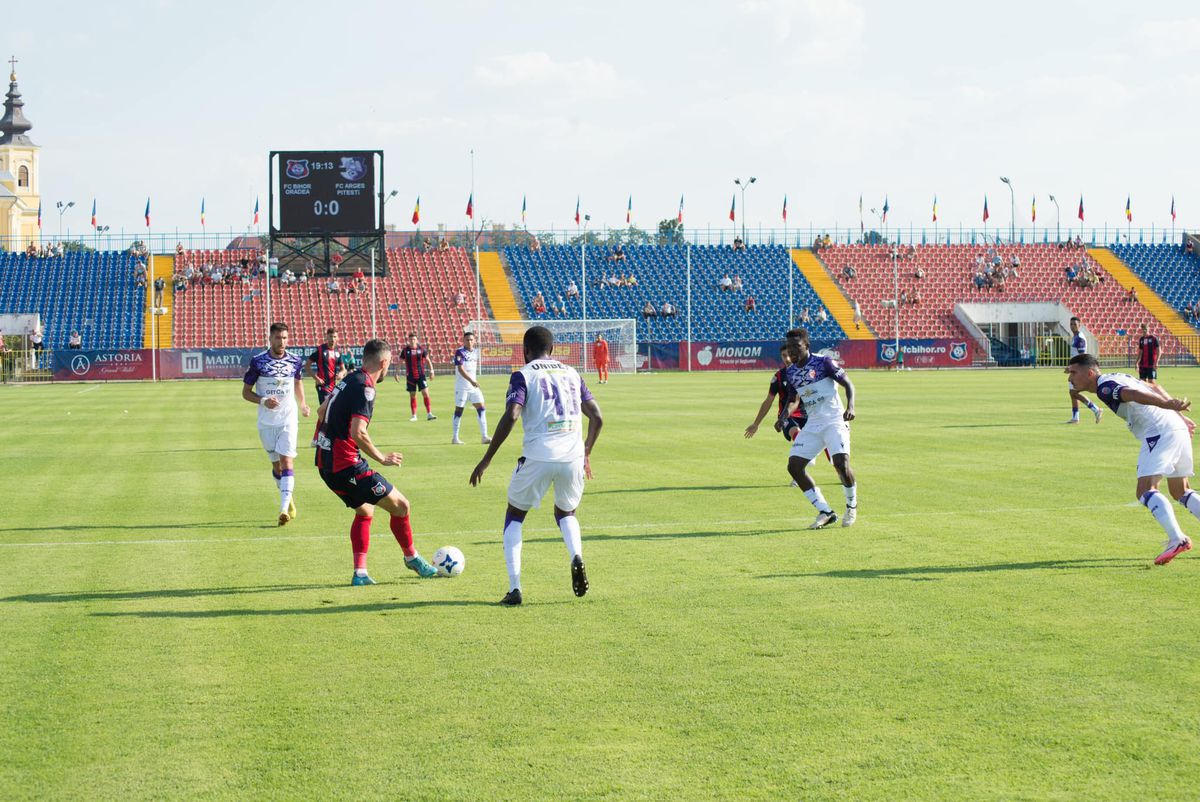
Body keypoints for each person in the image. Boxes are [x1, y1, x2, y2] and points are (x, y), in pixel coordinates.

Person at [469, 325, 604, 605]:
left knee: (515, 515)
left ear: (525, 350)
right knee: (566, 512)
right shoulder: (572, 373)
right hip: (572, 457)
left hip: (539, 455)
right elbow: (597, 417)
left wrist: (486, 459)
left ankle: (515, 588)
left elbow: (512, 414)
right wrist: (586, 452)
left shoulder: (523, 375)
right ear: (552, 349)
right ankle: (576, 555)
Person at [314, 338, 438, 583]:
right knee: (401, 506)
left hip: (325, 464)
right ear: (384, 362)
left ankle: (360, 573)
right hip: (346, 465)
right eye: (389, 363)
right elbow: (358, 432)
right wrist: (382, 458)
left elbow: (321, 411)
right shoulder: (366, 388)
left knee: (365, 509)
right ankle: (411, 557)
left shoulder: (349, 379)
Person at [1065, 353, 1197, 565]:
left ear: (1089, 373)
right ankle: (1177, 538)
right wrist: (1178, 415)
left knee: (1145, 490)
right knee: (1180, 491)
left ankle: (1177, 539)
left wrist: (1168, 405)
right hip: (1175, 427)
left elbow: (1133, 394)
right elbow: (1154, 386)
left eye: (1073, 372)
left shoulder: (1104, 387)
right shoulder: (1117, 376)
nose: (1070, 378)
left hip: (1159, 432)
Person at [782, 328, 858, 528]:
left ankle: (851, 506)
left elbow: (848, 384)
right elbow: (794, 399)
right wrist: (783, 416)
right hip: (814, 423)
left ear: (806, 345)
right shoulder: (791, 372)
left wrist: (850, 407)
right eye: (789, 347)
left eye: (796, 346)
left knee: (841, 464)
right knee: (794, 466)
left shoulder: (824, 362)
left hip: (835, 420)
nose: (792, 351)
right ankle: (825, 511)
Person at [242, 322, 310, 526]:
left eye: (285, 338)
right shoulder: (258, 362)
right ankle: (288, 499)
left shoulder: (295, 361)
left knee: (287, 462)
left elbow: (297, 382)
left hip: (288, 419)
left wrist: (303, 404)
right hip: (266, 423)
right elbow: (246, 393)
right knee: (276, 466)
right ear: (270, 338)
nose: (282, 342)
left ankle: (283, 508)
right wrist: (264, 401)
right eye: (278, 338)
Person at [744, 344, 809, 487]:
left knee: (827, 446)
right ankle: (799, 475)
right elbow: (768, 401)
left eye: (789, 355)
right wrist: (756, 423)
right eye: (784, 356)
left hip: (809, 415)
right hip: (786, 416)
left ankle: (842, 475)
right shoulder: (778, 377)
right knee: (797, 435)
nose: (787, 358)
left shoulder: (806, 373)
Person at [452, 331, 490, 445]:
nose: (469, 341)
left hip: (473, 387)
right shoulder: (460, 352)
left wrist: (473, 382)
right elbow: (460, 369)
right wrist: (471, 381)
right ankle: (455, 438)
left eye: (471, 339)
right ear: (463, 341)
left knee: (481, 408)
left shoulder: (475, 352)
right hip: (462, 387)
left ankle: (484, 436)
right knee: (459, 411)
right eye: (467, 339)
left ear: (474, 341)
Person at [1066, 317, 1103, 424]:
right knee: (1072, 393)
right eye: (1071, 324)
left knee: (1074, 392)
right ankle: (1075, 417)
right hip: (1075, 369)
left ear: (1079, 325)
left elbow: (1082, 356)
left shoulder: (1080, 338)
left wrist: (1072, 368)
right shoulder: (1075, 337)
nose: (1072, 326)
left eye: (1074, 324)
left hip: (1078, 370)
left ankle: (1095, 409)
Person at [397, 332, 437, 421]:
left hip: (421, 375)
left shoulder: (421, 349)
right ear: (408, 340)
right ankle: (414, 415)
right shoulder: (405, 350)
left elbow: (428, 360)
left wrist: (432, 371)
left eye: (414, 339)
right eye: (411, 339)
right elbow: (400, 362)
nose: (412, 341)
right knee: (412, 395)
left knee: (425, 393)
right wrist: (397, 373)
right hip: (410, 376)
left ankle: (429, 414)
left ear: (417, 340)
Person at [306, 328, 352, 405]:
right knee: (326, 408)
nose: (332, 339)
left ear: (337, 338)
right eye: (331, 336)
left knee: (332, 409)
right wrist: (317, 379)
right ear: (327, 337)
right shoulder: (320, 350)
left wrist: (341, 373)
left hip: (334, 386)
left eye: (334, 337)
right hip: (322, 386)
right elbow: (307, 366)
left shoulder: (338, 351)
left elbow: (343, 369)